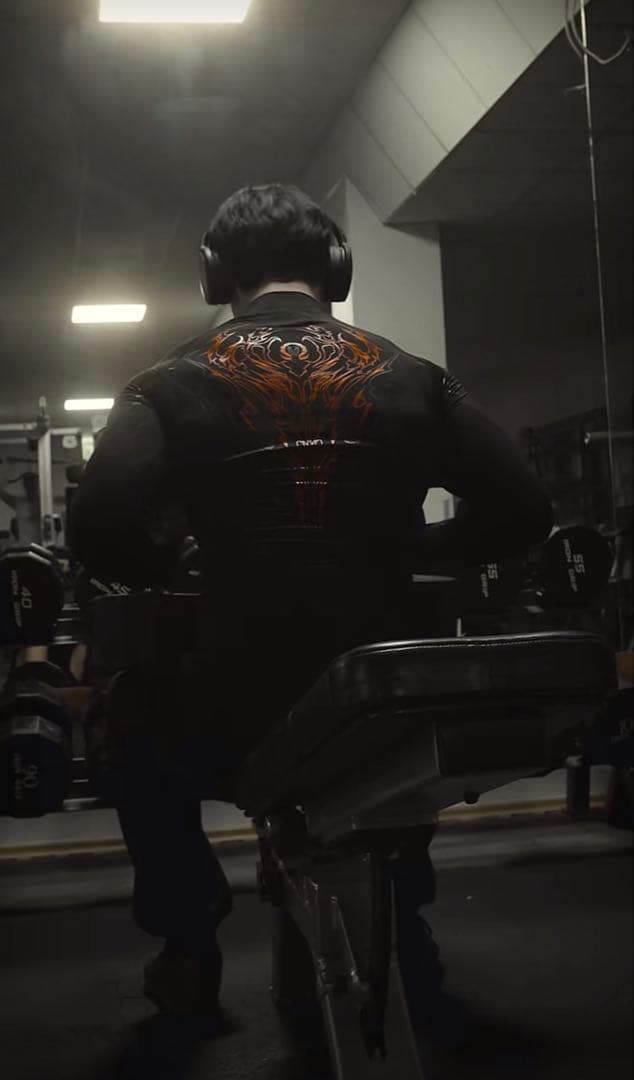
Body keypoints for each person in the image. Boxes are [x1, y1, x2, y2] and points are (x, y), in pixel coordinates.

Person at [70, 183, 552, 1023]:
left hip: (235, 708)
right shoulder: (415, 377)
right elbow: (524, 512)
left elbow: (98, 527)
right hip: (379, 709)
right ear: (337, 266)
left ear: (213, 273)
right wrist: (413, 551)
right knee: (395, 748)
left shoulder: (165, 383)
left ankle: (188, 944)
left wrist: (172, 560)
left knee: (128, 725)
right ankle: (404, 924)